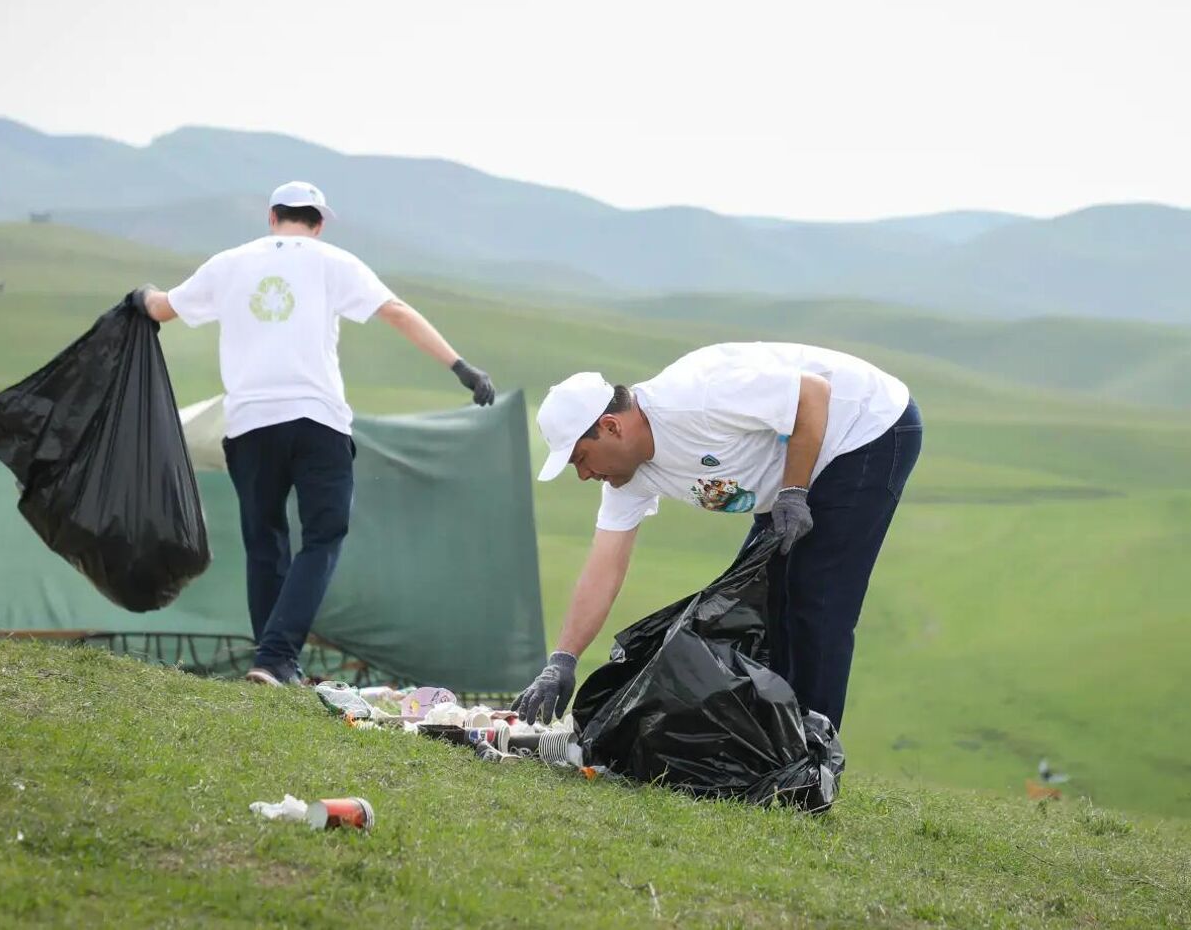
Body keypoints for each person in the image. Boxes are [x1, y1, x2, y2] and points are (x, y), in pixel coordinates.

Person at [133, 180, 495, 685]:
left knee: (264, 541)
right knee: (323, 536)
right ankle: (276, 658)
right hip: (317, 422)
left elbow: (161, 308)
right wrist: (461, 367)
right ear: (319, 223)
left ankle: (271, 661)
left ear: (272, 215)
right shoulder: (334, 263)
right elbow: (395, 311)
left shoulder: (228, 263)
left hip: (249, 425)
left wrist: (142, 294)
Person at [512, 342, 920, 732]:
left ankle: (814, 758)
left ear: (611, 426)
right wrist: (563, 660)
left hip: (867, 426)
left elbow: (812, 394)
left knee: (817, 597)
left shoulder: (696, 397)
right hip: (797, 463)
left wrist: (793, 491)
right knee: (757, 602)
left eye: (581, 458)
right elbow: (604, 565)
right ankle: (777, 745)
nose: (584, 475)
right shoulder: (626, 478)